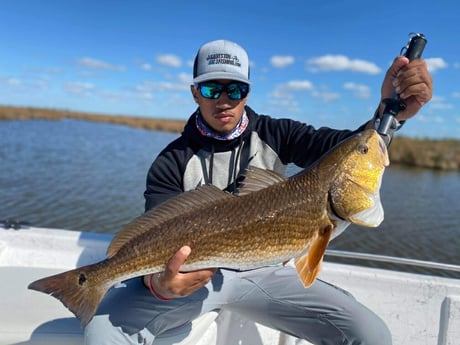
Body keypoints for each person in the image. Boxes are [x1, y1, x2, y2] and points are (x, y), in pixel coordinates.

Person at [85, 39, 433, 344]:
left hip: (266, 273)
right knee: (103, 332)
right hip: (195, 283)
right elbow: (153, 235)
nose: (224, 100)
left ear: (247, 92)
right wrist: (158, 284)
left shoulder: (277, 132)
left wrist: (391, 113)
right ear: (194, 91)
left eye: (234, 89)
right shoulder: (170, 162)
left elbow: (342, 151)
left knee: (372, 335)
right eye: (211, 89)